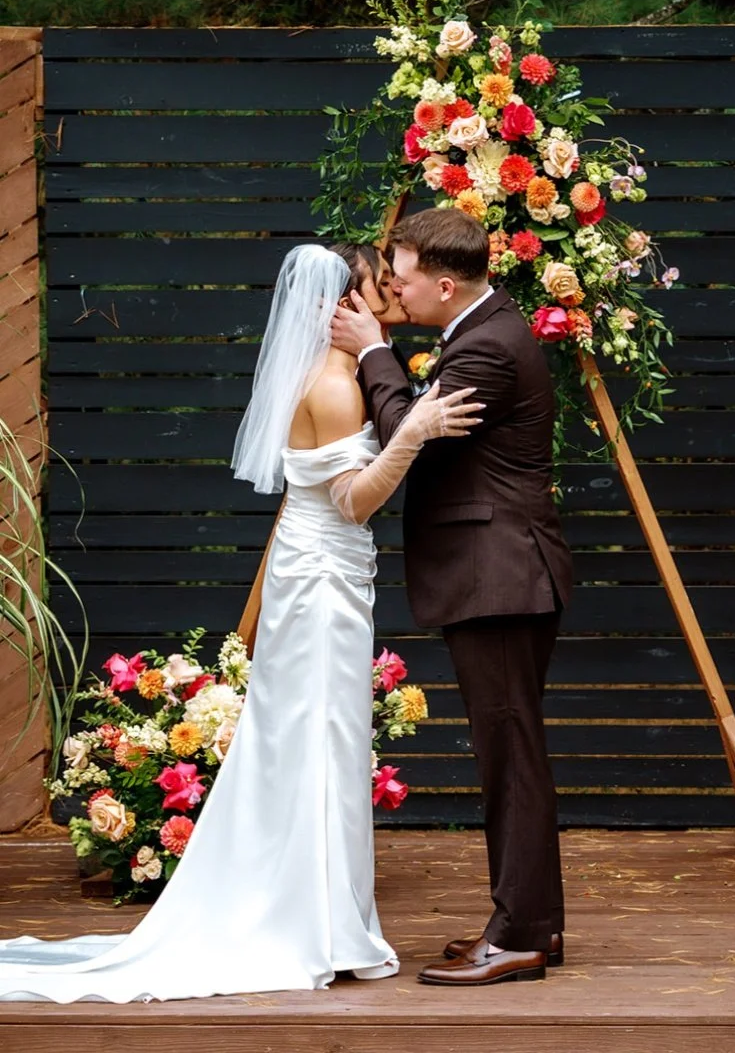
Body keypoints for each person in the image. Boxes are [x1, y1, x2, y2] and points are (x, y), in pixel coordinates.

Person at [0, 242, 482, 1003]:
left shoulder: (326, 375)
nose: (385, 293)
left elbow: (306, 502)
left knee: (314, 736)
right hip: (322, 583)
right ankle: (316, 925)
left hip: (317, 572)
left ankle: (321, 913)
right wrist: (415, 432)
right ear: (337, 309)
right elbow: (355, 501)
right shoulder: (335, 387)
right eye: (369, 288)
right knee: (322, 736)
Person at [330, 208, 573, 987]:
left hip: (500, 575)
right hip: (498, 571)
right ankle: (530, 924)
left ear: (442, 283)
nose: (391, 290)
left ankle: (524, 934)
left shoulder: (489, 348)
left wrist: (373, 352)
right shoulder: (483, 329)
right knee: (510, 753)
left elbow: (412, 429)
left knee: (512, 758)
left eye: (399, 278)